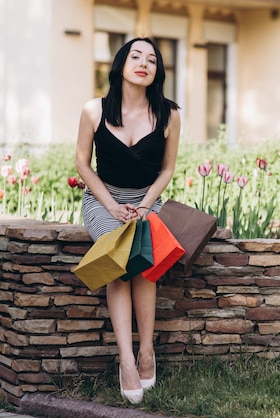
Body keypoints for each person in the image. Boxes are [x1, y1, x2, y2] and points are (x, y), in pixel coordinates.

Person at [75, 37, 181, 404]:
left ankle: (147, 350)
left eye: (152, 59)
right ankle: (126, 359)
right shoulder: (94, 110)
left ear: (157, 72)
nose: (144, 63)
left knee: (144, 262)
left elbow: (167, 169)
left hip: (147, 201)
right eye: (135, 56)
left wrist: (146, 207)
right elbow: (83, 166)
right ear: (121, 64)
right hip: (103, 200)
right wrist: (113, 206)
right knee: (118, 260)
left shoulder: (169, 114)